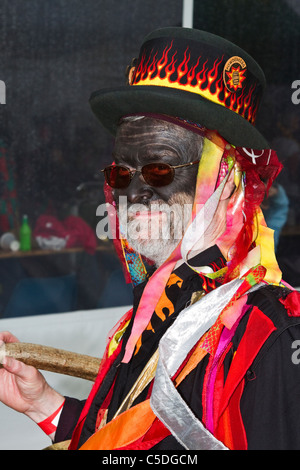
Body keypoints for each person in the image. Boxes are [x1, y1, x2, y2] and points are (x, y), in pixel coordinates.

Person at [1, 27, 300, 451]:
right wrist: (42, 404)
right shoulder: (155, 307)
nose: (135, 193)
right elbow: (121, 442)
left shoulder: (268, 336)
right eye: (122, 172)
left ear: (227, 179)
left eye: (161, 169)